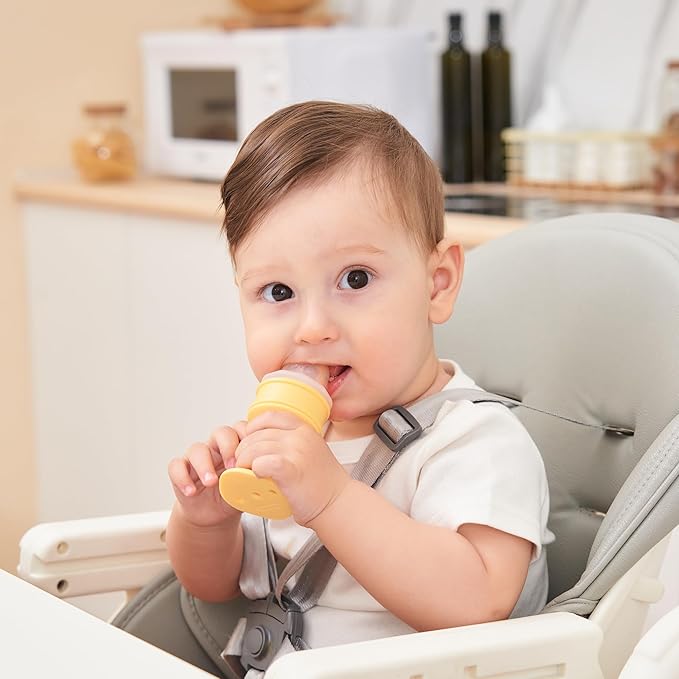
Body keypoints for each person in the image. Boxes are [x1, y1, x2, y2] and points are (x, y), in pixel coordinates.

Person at [166, 101, 553, 667]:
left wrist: (330, 497)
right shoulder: (283, 444)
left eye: (355, 279)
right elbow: (214, 586)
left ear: (437, 284)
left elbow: (480, 601)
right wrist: (206, 522)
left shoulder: (475, 441)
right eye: (278, 292)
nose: (312, 328)